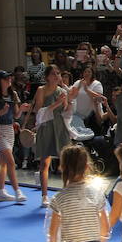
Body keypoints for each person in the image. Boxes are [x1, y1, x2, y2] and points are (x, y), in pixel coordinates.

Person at [0, 71, 30, 202]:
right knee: (10, 161)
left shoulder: (13, 94)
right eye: (6, 78)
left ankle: (0, 191)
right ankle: (17, 191)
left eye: (9, 77)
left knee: (3, 162)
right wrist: (2, 111)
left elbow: (16, 115)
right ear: (0, 81)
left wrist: (21, 109)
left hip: (9, 129)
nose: (9, 79)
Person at [32, 66, 73, 207]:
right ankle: (44, 196)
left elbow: (66, 111)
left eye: (58, 73)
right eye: (53, 73)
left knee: (66, 162)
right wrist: (57, 103)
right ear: (47, 76)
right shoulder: (41, 90)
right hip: (46, 127)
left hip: (60, 126)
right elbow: (39, 112)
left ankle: (67, 193)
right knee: (45, 163)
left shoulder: (62, 91)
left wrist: (69, 100)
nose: (56, 76)